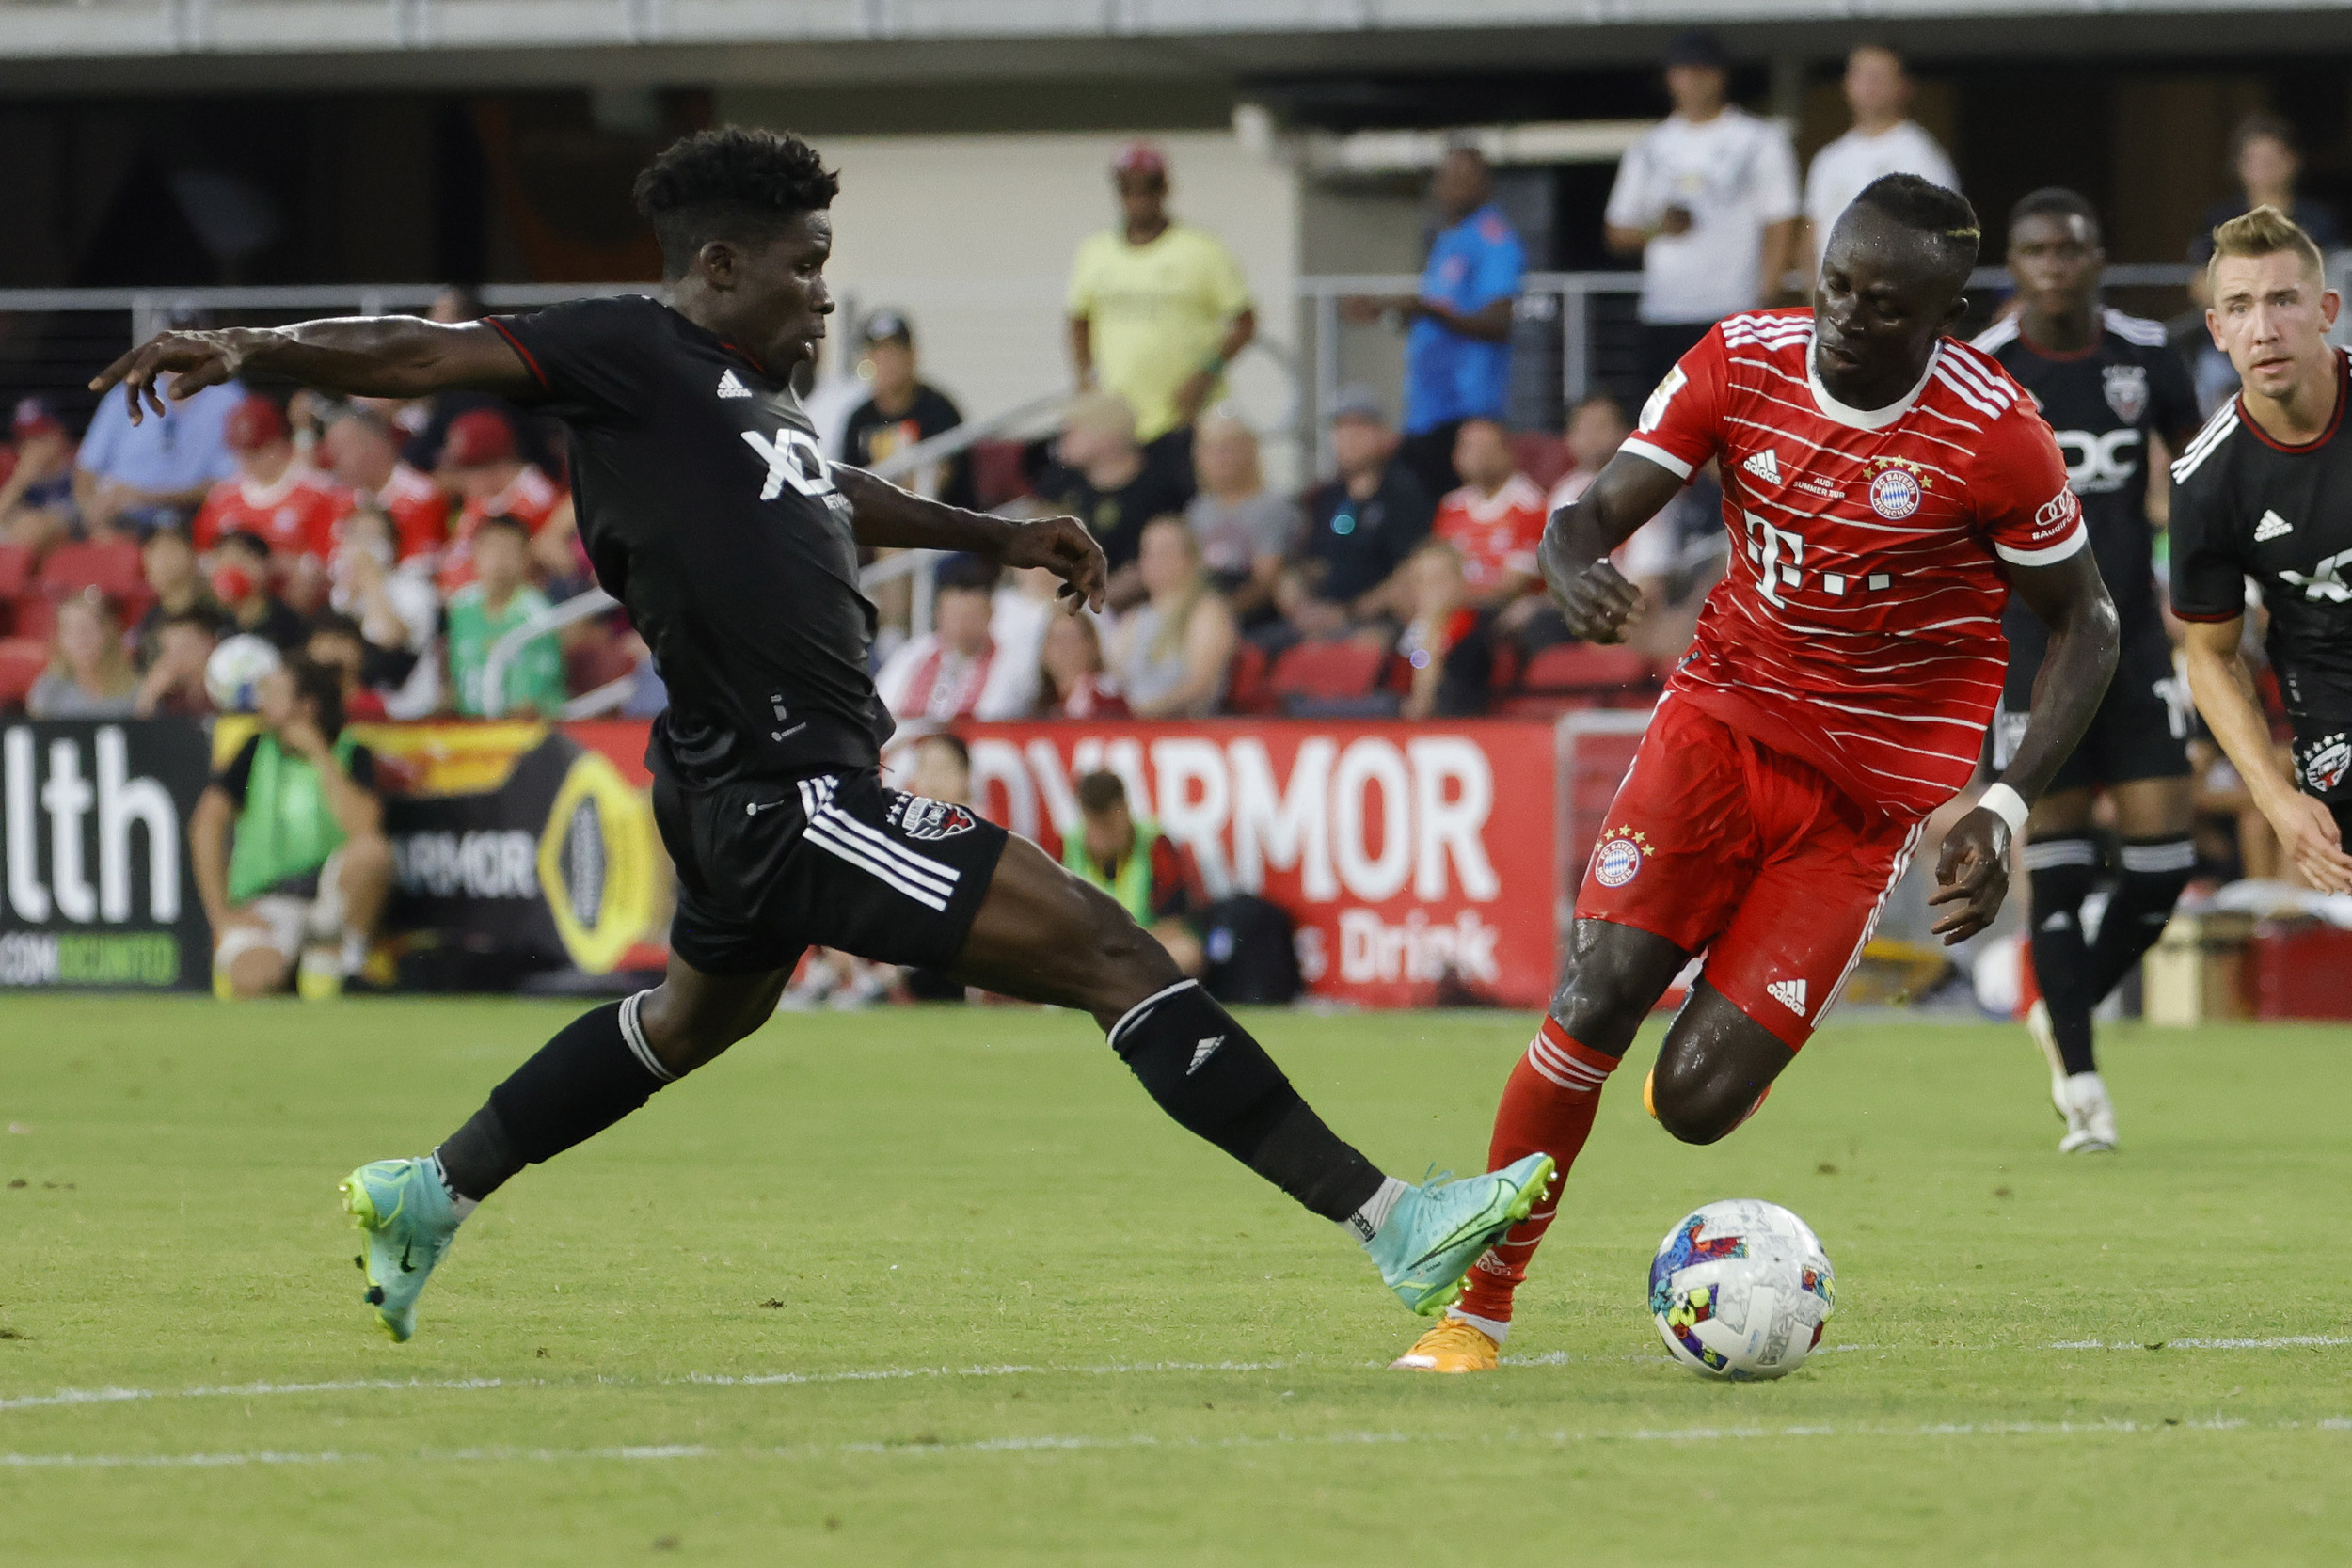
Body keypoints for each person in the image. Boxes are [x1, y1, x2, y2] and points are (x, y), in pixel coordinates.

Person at [95, 125, 1549, 1342]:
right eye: (804, 269)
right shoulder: (624, 350)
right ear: (719, 265)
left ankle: (431, 1186)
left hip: (739, 785)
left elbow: (836, 489)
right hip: (791, 784)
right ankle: (1391, 1220)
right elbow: (421, 355)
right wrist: (253, 344)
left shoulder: (749, 404)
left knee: (693, 1018)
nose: (823, 298)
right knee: (1115, 952)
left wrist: (998, 532)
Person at [1390, 174, 2120, 1375]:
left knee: (1695, 1105)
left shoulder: (1996, 436)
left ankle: (1725, 1036)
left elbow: (2084, 621)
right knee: (1592, 998)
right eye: (1834, 282)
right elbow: (1589, 512)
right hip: (1718, 728)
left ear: (1938, 320)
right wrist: (1569, 559)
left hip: (1863, 800)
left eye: (1883, 304)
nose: (1845, 314)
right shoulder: (1738, 362)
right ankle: (1477, 1307)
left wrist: (1999, 798)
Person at [1971, 188, 2206, 1154]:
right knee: (2054, 867)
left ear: (2097, 256)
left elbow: (2193, 477)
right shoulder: (1984, 370)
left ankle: (2060, 1004)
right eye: (2035, 249)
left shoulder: (2145, 354)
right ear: (2015, 265)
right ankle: (2080, 1078)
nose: (2055, 262)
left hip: (2135, 640)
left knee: (2162, 866)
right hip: (2033, 648)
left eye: (2071, 246)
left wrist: (2196, 591)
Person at [2172, 208, 2352, 910]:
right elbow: (2210, 655)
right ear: (2217, 331)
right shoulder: (2207, 481)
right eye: (2240, 307)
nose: (2264, 328)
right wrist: (2275, 797)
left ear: (2325, 311)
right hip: (2330, 697)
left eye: (2283, 300)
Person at [1604, 29, 1804, 396]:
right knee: (1668, 427)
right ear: (1669, 78)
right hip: (1665, 310)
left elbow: (1782, 220)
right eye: (1682, 71)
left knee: (1736, 421)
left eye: (1702, 71)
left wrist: (1766, 296)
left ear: (1720, 76)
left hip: (1734, 310)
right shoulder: (1650, 146)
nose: (1692, 81)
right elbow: (1616, 230)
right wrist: (1658, 228)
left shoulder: (1758, 139)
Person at [188, 654, 392, 1000]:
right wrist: (221, 915)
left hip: (328, 900)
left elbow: (365, 830)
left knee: (373, 855)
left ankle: (346, 959)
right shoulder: (256, 749)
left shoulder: (350, 752)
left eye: (274, 694)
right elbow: (206, 824)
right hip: (269, 904)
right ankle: (298, 968)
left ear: (307, 706)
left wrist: (319, 753)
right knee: (253, 980)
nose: (262, 703)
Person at [1345, 147, 1525, 499]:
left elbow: (1499, 320)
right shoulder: (1447, 239)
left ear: (1484, 185)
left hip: (1466, 408)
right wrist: (1388, 311)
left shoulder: (1494, 237)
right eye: (1446, 177)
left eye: (1463, 177)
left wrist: (1428, 311)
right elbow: (1437, 313)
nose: (1452, 186)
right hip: (1427, 408)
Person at [1066, 141, 1256, 465]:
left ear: (1164, 189)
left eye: (1148, 188)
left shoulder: (1202, 249)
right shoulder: (1095, 251)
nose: (1138, 199)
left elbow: (1244, 321)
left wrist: (1205, 373)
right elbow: (1079, 319)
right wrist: (1087, 380)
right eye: (1128, 189)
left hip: (1186, 415)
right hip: (1121, 420)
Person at [2185, 116, 2347, 416]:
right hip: (2233, 347)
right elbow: (2200, 285)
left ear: (2292, 161)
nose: (2264, 167)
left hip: (2310, 338)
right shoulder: (2220, 219)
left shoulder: (2319, 220)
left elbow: (2335, 278)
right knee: (2211, 376)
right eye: (2254, 159)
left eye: (2272, 158)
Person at [73, 307, 239, 538]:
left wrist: (144, 496)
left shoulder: (229, 399)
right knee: (38, 526)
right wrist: (92, 517)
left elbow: (228, 485)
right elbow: (85, 471)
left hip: (184, 519)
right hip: (115, 516)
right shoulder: (128, 391)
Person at [1799, 45, 1958, 287]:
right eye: (1861, 75)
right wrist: (1815, 297)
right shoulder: (1828, 159)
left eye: (1879, 76)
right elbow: (1811, 235)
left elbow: (1946, 237)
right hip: (1836, 307)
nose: (1869, 85)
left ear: (1904, 86)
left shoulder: (1923, 156)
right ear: (1847, 84)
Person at [191, 396, 350, 610]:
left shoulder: (317, 492)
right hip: (235, 607)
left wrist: (282, 565)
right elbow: (203, 558)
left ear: (280, 442)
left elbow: (333, 561)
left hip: (304, 607)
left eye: (257, 450)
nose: (248, 460)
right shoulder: (222, 498)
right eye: (241, 451)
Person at [1299, 387, 1436, 620]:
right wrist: (1299, 598)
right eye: (1340, 428)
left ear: (1384, 435)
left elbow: (1412, 568)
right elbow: (1317, 561)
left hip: (1380, 619)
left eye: (1360, 427)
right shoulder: (1329, 495)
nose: (1349, 437)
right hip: (1323, 616)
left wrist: (1350, 612)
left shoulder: (1404, 493)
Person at [1032, 390, 1193, 586]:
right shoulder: (1061, 484)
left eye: (1074, 428)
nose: (1063, 436)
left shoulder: (1155, 489)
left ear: (1108, 436)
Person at [1062, 770, 1206, 978]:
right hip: (1089, 953)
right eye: (1096, 825)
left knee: (1187, 951)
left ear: (1125, 810)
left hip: (1141, 948)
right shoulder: (1068, 848)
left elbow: (1175, 924)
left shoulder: (1156, 846)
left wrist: (1122, 947)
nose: (1102, 834)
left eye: (1109, 824)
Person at [838, 310, 976, 509]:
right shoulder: (859, 419)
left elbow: (945, 480)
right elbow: (849, 488)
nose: (888, 361)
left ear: (912, 354)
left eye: (896, 350)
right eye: (880, 352)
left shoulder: (940, 409)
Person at [1108, 515, 1237, 719]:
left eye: (1165, 551)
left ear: (1190, 558)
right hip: (1132, 728)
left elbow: (1202, 686)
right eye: (1148, 551)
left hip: (1184, 728)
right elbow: (1115, 680)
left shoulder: (1207, 611)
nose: (1155, 560)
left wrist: (1144, 712)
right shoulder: (1133, 618)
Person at [873, 557, 1031, 721]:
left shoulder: (1009, 664)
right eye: (954, 616)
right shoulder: (913, 654)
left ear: (990, 614)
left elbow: (1000, 716)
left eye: (969, 617)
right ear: (938, 614)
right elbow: (883, 707)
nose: (961, 626)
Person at [437, 408, 577, 590]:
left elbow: (536, 563)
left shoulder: (534, 498)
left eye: (466, 469)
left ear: (495, 464)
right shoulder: (484, 497)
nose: (460, 479)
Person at [445, 514, 565, 719]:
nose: (498, 559)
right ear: (475, 554)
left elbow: (530, 703)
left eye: (508, 550)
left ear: (526, 558)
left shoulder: (537, 613)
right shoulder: (460, 607)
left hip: (520, 729)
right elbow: (452, 679)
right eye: (491, 549)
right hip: (466, 728)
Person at [327, 506, 442, 720]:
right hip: (357, 712)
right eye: (356, 536)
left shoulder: (414, 587)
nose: (363, 546)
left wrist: (370, 579)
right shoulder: (340, 595)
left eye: (373, 537)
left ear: (391, 545)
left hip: (410, 710)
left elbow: (390, 639)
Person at [1184, 410, 1298, 622]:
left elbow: (1266, 581)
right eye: (1211, 450)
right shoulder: (1197, 512)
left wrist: (1218, 617)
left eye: (1230, 448)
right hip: (1205, 610)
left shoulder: (1272, 507)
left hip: (1255, 618)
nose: (1221, 459)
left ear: (1250, 450)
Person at [1430, 418, 1547, 610]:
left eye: (1485, 447)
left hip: (1498, 612)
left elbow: (1513, 586)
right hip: (1450, 609)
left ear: (1508, 452)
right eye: (1469, 448)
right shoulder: (1451, 506)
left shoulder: (1530, 506)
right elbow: (1432, 568)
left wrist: (1446, 598)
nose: (1477, 456)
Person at [320, 406, 452, 564]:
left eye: (342, 449)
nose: (335, 461)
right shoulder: (339, 502)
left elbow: (420, 570)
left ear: (376, 445)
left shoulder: (421, 497)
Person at [1392, 539, 1494, 721]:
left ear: (1460, 580)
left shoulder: (1476, 631)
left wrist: (1433, 627)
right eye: (1421, 581)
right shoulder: (1403, 633)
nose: (1430, 589)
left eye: (1439, 579)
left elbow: (1429, 701)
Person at [130, 523, 229, 667]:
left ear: (192, 555)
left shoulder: (219, 609)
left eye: (170, 549)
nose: (162, 560)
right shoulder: (148, 622)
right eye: (154, 551)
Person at [26, 593, 138, 718]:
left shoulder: (135, 688)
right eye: (70, 631)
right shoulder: (50, 689)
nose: (80, 640)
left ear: (107, 632)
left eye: (87, 629)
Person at [210, 529, 311, 651]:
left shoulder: (285, 621)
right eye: (222, 559)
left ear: (263, 564)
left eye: (240, 559)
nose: (230, 568)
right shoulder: (212, 620)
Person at [1, 397, 79, 549]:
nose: (31, 446)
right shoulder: (14, 477)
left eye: (39, 437)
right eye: (25, 440)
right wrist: (20, 481)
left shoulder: (79, 469)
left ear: (59, 434)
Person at [1036, 610, 1129, 720]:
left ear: (1092, 646)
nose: (1061, 647)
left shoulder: (1106, 698)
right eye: (1054, 638)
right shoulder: (1039, 702)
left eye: (1070, 638)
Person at [132, 607, 218, 717]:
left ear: (209, 642)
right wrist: (150, 692)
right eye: (169, 651)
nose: (176, 659)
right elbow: (142, 725)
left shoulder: (230, 679)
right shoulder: (174, 699)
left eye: (184, 647)